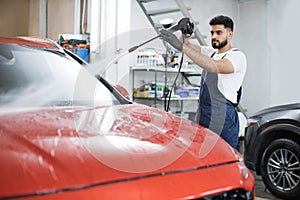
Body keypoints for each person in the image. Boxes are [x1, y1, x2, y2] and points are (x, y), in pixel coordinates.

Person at [160, 15, 246, 150]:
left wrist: (182, 47)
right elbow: (187, 45)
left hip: (223, 119)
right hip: (204, 115)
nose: (214, 36)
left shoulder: (237, 56)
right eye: (212, 33)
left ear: (230, 34)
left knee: (223, 158)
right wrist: (185, 33)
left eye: (219, 33)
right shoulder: (211, 53)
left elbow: (214, 66)